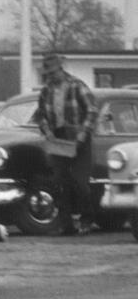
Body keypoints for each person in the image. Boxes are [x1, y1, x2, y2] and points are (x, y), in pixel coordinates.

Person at [31, 52, 98, 235]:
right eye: (48, 74)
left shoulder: (77, 86)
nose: (51, 77)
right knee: (59, 182)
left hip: (79, 138)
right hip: (58, 139)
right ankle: (66, 224)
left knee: (80, 182)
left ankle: (87, 220)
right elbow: (40, 116)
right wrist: (48, 132)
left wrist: (83, 134)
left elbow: (92, 111)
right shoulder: (46, 91)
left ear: (61, 69)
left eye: (53, 73)